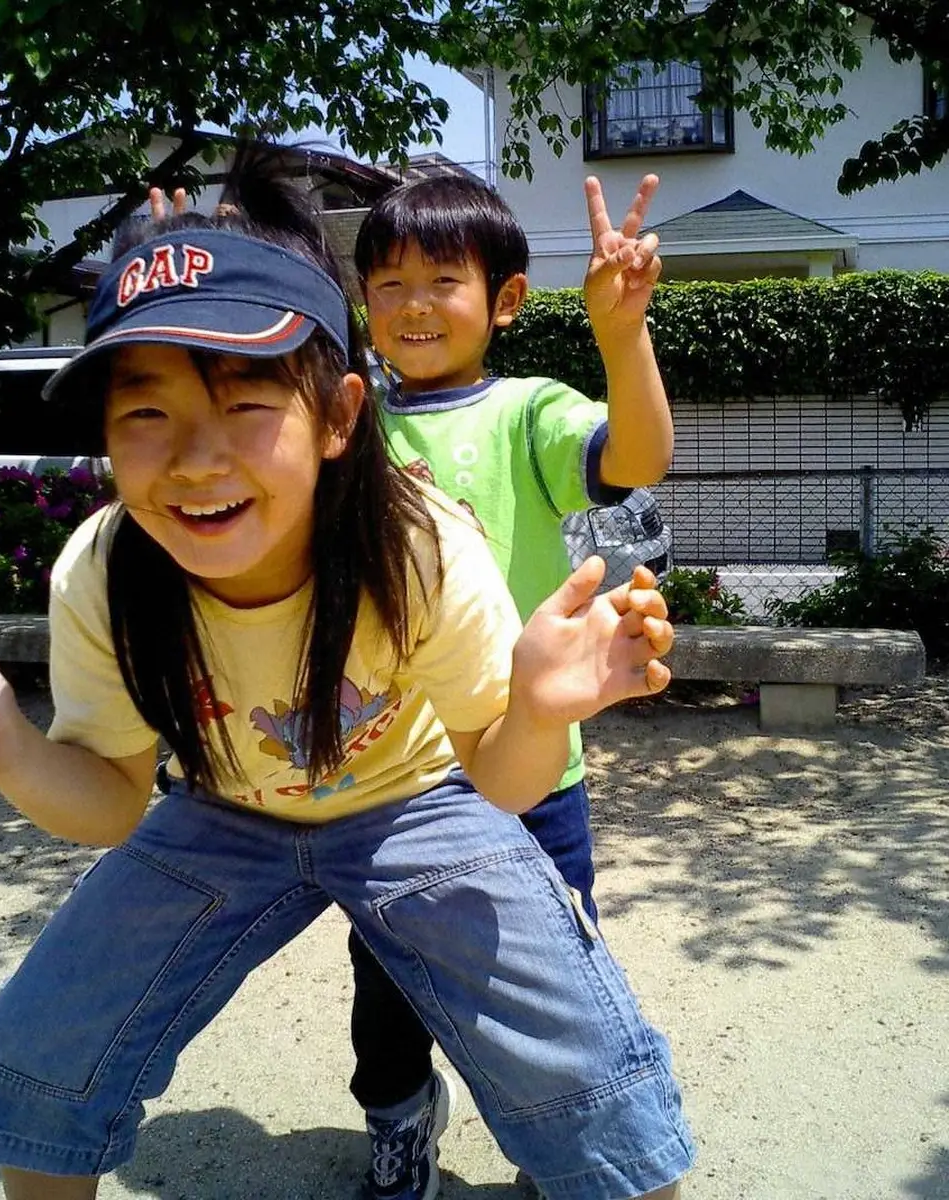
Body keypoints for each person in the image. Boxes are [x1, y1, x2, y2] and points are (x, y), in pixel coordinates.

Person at [0, 153, 693, 1200]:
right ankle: (394, 1119)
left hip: (414, 802)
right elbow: (115, 803)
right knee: (42, 1059)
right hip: (222, 812)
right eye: (145, 414)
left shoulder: (415, 544)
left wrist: (532, 708)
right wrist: (7, 750)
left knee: (592, 1082)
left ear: (339, 415)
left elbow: (497, 784)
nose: (196, 459)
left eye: (245, 400)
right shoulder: (107, 570)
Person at [338, 170, 674, 1197]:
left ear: (506, 301)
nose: (411, 304)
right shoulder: (347, 426)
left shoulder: (527, 409)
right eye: (386, 284)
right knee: (388, 979)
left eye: (442, 279)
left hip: (535, 771)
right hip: (392, 778)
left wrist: (621, 337)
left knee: (549, 982)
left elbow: (637, 454)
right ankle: (398, 1122)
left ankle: (561, 1137)